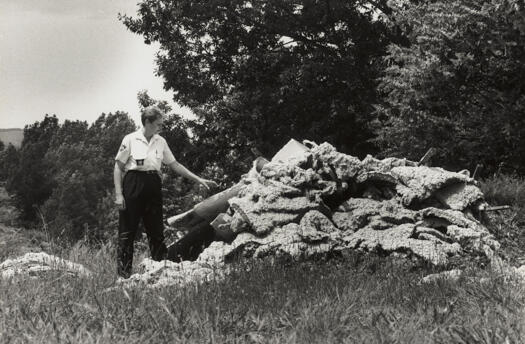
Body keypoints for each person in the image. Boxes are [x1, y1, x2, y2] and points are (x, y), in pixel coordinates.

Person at [113, 106, 217, 278]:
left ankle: (160, 274)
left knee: (156, 232)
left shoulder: (160, 141)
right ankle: (123, 277)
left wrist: (198, 179)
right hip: (133, 183)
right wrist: (119, 194)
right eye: (158, 125)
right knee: (127, 232)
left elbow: (175, 165)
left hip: (153, 185)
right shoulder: (130, 139)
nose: (160, 128)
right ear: (147, 122)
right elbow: (118, 167)